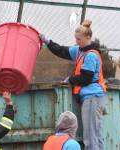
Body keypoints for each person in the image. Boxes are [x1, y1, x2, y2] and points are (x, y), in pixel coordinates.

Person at [40, 19, 106, 150]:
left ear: (88, 38)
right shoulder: (80, 50)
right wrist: (48, 42)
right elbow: (62, 51)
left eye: (79, 39)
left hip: (93, 97)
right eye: (75, 39)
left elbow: (86, 78)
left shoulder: (91, 55)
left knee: (91, 137)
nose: (76, 42)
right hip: (91, 98)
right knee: (95, 135)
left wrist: (70, 80)